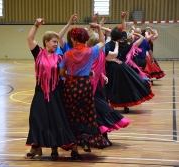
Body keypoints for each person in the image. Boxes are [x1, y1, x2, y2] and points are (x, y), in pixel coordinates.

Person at [25, 18, 79, 160]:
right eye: (54, 41)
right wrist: (36, 25)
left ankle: (55, 148)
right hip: (40, 92)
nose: (56, 44)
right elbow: (29, 38)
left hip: (56, 92)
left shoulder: (60, 57)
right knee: (37, 119)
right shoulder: (38, 53)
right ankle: (36, 147)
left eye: (57, 42)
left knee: (55, 119)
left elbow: (65, 73)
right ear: (46, 42)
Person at [59, 24, 110, 152]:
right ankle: (85, 139)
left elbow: (61, 73)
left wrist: (72, 73)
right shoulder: (90, 51)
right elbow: (102, 42)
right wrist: (98, 27)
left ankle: (74, 146)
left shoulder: (67, 54)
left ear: (74, 39)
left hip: (70, 87)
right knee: (86, 114)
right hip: (85, 86)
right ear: (86, 39)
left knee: (72, 115)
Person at [104, 12, 155, 113]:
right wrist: (123, 17)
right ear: (120, 36)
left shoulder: (108, 45)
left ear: (111, 36)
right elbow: (124, 27)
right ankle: (125, 106)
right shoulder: (125, 44)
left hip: (112, 68)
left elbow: (106, 57)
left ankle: (111, 105)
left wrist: (113, 60)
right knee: (124, 87)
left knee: (112, 87)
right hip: (123, 67)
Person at [87, 32, 131, 146]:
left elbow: (100, 67)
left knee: (100, 111)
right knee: (99, 110)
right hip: (89, 86)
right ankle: (98, 137)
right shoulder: (88, 53)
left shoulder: (102, 52)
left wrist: (102, 75)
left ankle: (103, 136)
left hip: (99, 85)